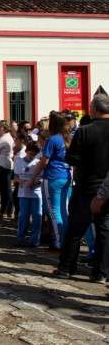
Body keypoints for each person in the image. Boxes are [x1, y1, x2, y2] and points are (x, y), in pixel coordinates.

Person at [56, 95, 109, 282]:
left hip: (87, 186)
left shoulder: (84, 131)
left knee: (75, 229)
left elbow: (72, 159)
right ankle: (101, 272)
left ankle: (67, 268)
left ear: (94, 109)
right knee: (104, 230)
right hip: (106, 187)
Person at [31, 111, 71, 250]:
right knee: (63, 211)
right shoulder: (66, 139)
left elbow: (44, 162)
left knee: (53, 211)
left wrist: (32, 177)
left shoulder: (52, 140)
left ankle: (59, 242)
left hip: (52, 177)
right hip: (65, 177)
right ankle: (65, 239)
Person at [13, 142, 42, 247]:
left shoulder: (38, 162)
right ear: (26, 151)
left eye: (34, 155)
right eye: (30, 154)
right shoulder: (19, 161)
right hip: (23, 193)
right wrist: (18, 181)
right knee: (23, 216)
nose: (31, 157)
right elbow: (15, 176)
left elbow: (42, 178)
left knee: (37, 217)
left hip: (36, 193)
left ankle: (34, 240)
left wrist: (35, 182)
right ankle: (20, 238)